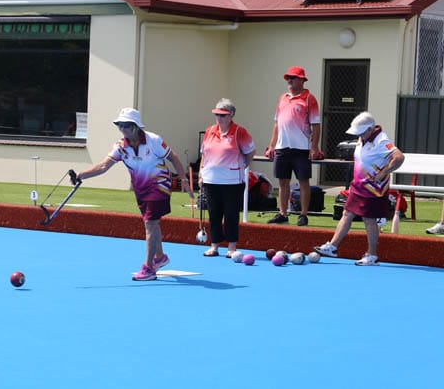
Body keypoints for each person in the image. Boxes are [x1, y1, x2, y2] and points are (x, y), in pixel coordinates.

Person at [74, 108, 194, 281]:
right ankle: (160, 257)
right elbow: (103, 166)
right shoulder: (121, 147)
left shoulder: (154, 140)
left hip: (159, 186)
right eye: (120, 125)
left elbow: (173, 157)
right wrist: (81, 175)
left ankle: (148, 268)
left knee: (150, 224)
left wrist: (183, 179)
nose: (122, 129)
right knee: (152, 223)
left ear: (136, 126)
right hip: (140, 189)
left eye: (126, 125)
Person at [313, 112, 405, 266]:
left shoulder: (381, 140)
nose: (359, 135)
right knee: (347, 213)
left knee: (369, 219)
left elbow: (399, 157)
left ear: (370, 129)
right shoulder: (363, 138)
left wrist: (384, 172)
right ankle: (332, 247)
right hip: (358, 185)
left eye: (361, 132)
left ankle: (372, 255)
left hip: (373, 188)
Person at [265, 66, 321, 227]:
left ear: (302, 80)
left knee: (303, 181)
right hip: (282, 148)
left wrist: (314, 147)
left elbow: (316, 125)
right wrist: (272, 146)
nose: (289, 81)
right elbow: (277, 124)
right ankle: (283, 213)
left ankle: (303, 214)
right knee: (283, 182)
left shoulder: (309, 99)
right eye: (288, 78)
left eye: (293, 78)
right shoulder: (283, 98)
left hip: (302, 148)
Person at [199, 98, 255, 258]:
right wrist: (201, 174)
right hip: (211, 180)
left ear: (231, 115)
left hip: (232, 181)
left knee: (231, 214)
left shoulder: (239, 132)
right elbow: (204, 155)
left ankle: (231, 247)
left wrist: (242, 165)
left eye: (223, 115)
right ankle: (214, 246)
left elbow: (250, 152)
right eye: (217, 114)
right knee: (214, 213)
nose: (219, 118)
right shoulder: (209, 131)